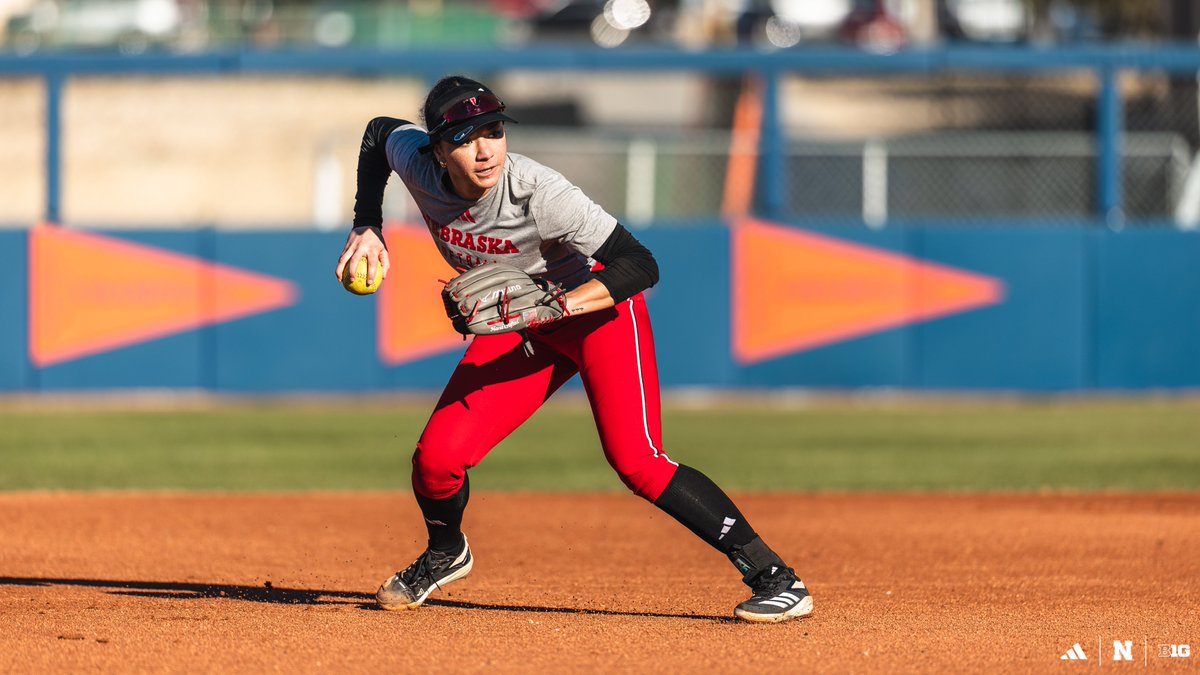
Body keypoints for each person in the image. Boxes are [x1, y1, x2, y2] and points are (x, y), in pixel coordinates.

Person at [333, 75, 812, 624]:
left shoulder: (540, 193)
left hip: (596, 314)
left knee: (638, 461)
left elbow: (641, 263)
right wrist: (367, 223)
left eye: (493, 130)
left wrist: (558, 309)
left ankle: (775, 576)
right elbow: (377, 135)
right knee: (436, 461)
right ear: (438, 149)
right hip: (521, 320)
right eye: (466, 137)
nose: (485, 149)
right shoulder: (416, 161)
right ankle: (446, 552)